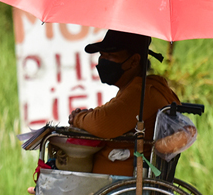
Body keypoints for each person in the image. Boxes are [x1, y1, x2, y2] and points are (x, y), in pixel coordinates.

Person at [67, 29, 179, 177]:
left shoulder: (143, 93)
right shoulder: (131, 90)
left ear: (134, 61)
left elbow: (102, 123)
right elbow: (106, 114)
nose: (103, 61)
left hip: (122, 188)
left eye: (111, 56)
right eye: (102, 55)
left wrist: (77, 119)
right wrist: (86, 116)